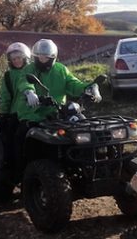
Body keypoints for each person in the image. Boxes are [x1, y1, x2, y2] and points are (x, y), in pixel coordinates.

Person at [12, 38, 101, 175]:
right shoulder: (29, 69)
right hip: (32, 113)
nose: (43, 59)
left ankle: (89, 163)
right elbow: (24, 81)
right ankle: (21, 172)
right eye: (40, 56)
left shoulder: (60, 69)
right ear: (35, 56)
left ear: (53, 57)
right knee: (21, 138)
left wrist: (88, 88)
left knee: (84, 127)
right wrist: (29, 92)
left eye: (46, 56)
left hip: (57, 112)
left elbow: (73, 84)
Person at [0, 42, 31, 168]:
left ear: (25, 58)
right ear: (10, 61)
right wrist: (3, 113)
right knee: (10, 139)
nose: (17, 61)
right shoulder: (8, 76)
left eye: (19, 58)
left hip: (34, 112)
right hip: (15, 113)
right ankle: (11, 166)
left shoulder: (33, 71)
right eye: (14, 59)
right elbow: (5, 96)